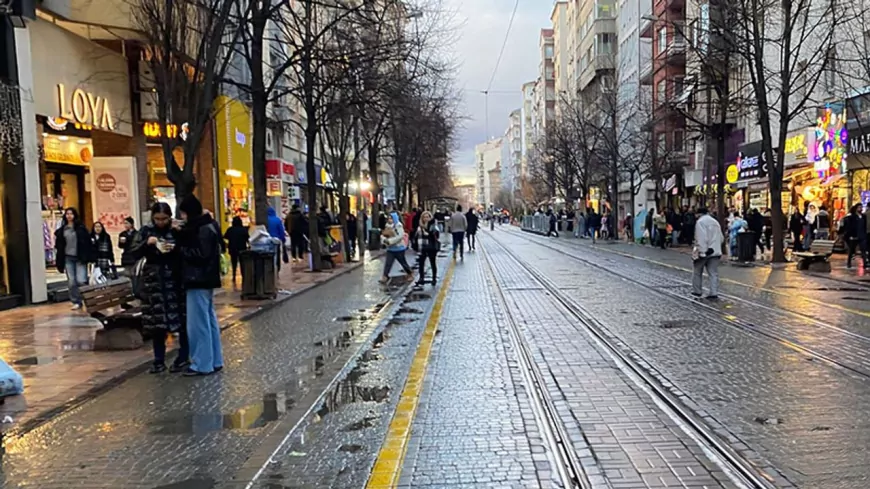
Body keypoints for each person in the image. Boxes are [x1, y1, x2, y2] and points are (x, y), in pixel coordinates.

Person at [133, 202, 188, 374]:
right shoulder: (146, 231)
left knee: (181, 320)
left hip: (174, 279)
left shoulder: (176, 229)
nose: (161, 222)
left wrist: (179, 239)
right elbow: (132, 252)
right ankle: (158, 360)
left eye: (164, 219)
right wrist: (146, 244)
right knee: (157, 324)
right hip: (154, 281)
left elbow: (187, 248)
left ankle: (183, 357)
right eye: (157, 219)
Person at [177, 195, 224, 376]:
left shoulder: (202, 229)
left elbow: (199, 255)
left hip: (198, 279)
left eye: (183, 213)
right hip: (206, 280)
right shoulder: (208, 225)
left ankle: (202, 363)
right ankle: (214, 360)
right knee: (208, 320)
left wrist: (179, 248)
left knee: (198, 324)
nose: (182, 217)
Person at [54, 208, 93, 310]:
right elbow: (59, 246)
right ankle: (76, 301)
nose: (69, 216)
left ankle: (88, 299)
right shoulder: (63, 230)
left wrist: (88, 256)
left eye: (71, 214)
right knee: (71, 281)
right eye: (67, 214)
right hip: (68, 258)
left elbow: (87, 243)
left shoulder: (80, 228)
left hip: (80, 257)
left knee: (81, 280)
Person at [692, 207, 723, 299]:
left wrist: (701, 251)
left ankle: (697, 291)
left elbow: (701, 238)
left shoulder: (700, 222)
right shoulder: (715, 222)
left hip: (705, 251)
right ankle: (714, 292)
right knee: (713, 273)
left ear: (699, 214)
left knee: (697, 271)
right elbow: (721, 237)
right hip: (715, 251)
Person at [380, 212, 414, 284]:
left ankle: (410, 273)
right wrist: (384, 240)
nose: (389, 220)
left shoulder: (398, 225)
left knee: (403, 262)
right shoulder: (387, 226)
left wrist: (390, 241)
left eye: (391, 218)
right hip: (390, 248)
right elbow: (383, 235)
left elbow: (400, 236)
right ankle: (385, 276)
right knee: (388, 263)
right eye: (388, 218)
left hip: (398, 248)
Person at [415, 211, 440, 285]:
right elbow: (416, 236)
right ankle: (421, 278)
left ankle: (434, 278)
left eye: (427, 217)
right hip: (422, 247)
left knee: (432, 263)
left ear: (430, 217)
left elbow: (437, 236)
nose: (426, 219)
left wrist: (429, 234)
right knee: (421, 263)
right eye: (424, 217)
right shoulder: (419, 226)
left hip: (431, 247)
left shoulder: (433, 226)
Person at [223, 216, 249, 281]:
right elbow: (247, 238)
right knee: (242, 263)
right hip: (242, 248)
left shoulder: (230, 229)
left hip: (233, 248)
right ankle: (244, 276)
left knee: (233, 263)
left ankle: (234, 275)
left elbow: (225, 237)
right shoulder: (243, 230)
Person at [843, 204, 868, 269]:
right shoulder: (852, 217)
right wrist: (850, 235)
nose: (860, 209)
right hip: (854, 236)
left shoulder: (863, 216)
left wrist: (865, 234)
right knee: (851, 250)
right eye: (859, 207)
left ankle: (865, 264)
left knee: (863, 250)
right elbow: (850, 227)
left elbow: (865, 226)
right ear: (856, 208)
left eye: (861, 207)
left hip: (862, 235)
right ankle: (849, 263)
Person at [266, 207, 287, 272]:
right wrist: (283, 239)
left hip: (267, 240)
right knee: (276, 254)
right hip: (276, 240)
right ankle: (277, 268)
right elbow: (281, 231)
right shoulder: (277, 220)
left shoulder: (265, 220)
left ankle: (268, 267)